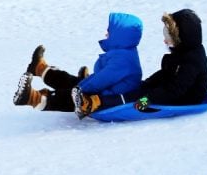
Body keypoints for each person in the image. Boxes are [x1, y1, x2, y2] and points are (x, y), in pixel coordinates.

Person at [73, 8, 207, 118]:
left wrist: (148, 99)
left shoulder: (192, 61)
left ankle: (95, 103)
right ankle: (93, 97)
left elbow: (174, 90)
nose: (165, 41)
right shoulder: (183, 52)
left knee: (135, 98)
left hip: (183, 99)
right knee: (139, 90)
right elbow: (166, 74)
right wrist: (148, 83)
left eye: (169, 37)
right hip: (171, 91)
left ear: (183, 38)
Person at [13, 12, 143, 112]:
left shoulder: (124, 60)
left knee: (75, 93)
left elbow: (103, 79)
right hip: (106, 90)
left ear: (121, 35)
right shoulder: (121, 53)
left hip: (107, 98)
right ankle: (40, 69)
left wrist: (81, 88)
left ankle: (33, 98)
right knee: (75, 83)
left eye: (110, 31)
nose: (106, 33)